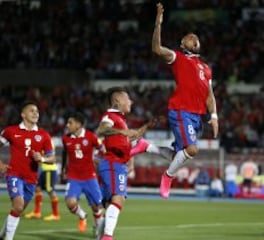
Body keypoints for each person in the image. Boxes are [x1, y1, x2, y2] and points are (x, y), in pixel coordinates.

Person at [152, 2, 219, 199]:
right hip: (180, 110)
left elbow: (210, 95)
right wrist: (158, 23)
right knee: (192, 149)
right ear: (183, 45)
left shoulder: (206, 68)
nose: (193, 37)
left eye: (195, 37)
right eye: (188, 38)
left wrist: (214, 116)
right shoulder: (178, 58)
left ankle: (146, 147)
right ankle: (167, 177)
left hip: (197, 116)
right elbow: (156, 48)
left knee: (178, 156)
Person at [96, 87, 155, 240]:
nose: (131, 101)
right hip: (112, 163)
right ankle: (107, 237)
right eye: (127, 98)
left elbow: (126, 141)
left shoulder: (121, 119)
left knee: (111, 203)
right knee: (118, 199)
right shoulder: (110, 116)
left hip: (117, 164)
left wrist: (141, 131)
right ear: (117, 100)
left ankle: (101, 233)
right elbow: (102, 129)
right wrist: (123, 132)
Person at [0, 101, 55, 240]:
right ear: (23, 115)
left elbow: (52, 158)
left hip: (31, 179)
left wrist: (42, 159)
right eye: (32, 111)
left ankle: (2, 234)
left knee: (17, 210)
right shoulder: (11, 131)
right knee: (18, 206)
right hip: (14, 174)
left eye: (37, 111)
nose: (36, 113)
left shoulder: (43, 135)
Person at [61, 112, 106, 235]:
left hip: (89, 177)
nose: (67, 125)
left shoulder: (91, 137)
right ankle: (82, 215)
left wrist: (98, 160)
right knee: (70, 203)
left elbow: (103, 150)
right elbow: (65, 154)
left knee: (97, 206)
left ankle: (98, 227)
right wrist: (64, 170)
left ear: (78, 124)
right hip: (74, 177)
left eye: (70, 122)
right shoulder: (66, 138)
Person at [24, 157, 60, 221]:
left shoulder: (48, 147)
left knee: (50, 190)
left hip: (49, 170)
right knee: (38, 188)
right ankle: (37, 212)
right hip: (45, 170)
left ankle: (56, 214)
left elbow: (50, 157)